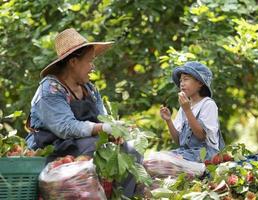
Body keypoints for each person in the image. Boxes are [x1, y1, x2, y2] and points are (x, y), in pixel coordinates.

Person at [25, 28, 140, 197]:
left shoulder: (89, 89)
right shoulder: (50, 89)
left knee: (131, 149)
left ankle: (124, 196)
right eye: (89, 61)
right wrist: (103, 129)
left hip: (84, 144)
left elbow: (102, 118)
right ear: (73, 62)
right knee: (93, 147)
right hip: (54, 149)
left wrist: (114, 131)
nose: (92, 67)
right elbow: (66, 127)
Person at [160, 61, 225, 162]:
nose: (182, 84)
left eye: (186, 79)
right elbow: (178, 141)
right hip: (187, 153)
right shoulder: (184, 107)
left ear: (200, 83)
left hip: (205, 155)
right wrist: (168, 120)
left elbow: (201, 136)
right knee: (155, 159)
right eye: (181, 81)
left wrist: (187, 110)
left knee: (165, 162)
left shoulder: (208, 104)